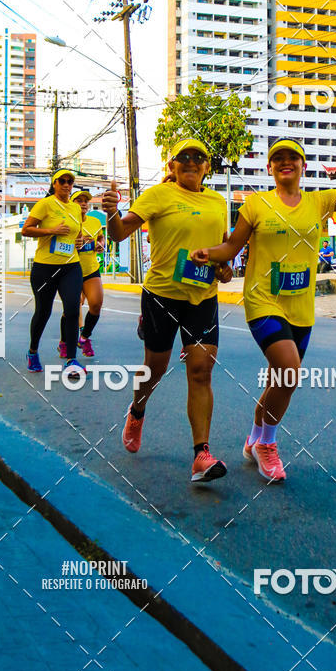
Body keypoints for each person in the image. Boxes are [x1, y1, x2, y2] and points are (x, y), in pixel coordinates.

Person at [190, 134, 336, 483]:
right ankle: (268, 443)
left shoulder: (320, 201)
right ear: (269, 167)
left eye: (292, 157)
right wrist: (208, 253)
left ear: (302, 165)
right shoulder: (256, 205)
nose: (285, 162)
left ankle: (253, 436)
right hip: (262, 299)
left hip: (301, 307)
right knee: (289, 370)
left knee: (282, 380)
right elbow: (232, 246)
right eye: (278, 157)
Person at [102, 137, 233, 483]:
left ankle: (201, 455)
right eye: (183, 157)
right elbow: (118, 234)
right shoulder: (159, 195)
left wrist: (223, 267)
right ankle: (137, 409)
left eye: (198, 157)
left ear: (207, 165)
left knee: (201, 371)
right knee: (155, 368)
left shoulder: (218, 201)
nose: (191, 161)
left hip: (203, 297)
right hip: (162, 295)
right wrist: (112, 211)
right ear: (172, 166)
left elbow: (223, 249)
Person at [21, 168, 85, 377]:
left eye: (70, 181)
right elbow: (26, 229)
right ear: (54, 184)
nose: (66, 185)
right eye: (62, 181)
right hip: (45, 268)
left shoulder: (76, 208)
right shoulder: (45, 204)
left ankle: (71, 360)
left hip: (71, 265)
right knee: (43, 311)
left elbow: (79, 234)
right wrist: (51, 231)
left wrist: (80, 241)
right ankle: (33, 352)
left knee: (73, 309)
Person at [60, 188, 105, 359]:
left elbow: (100, 237)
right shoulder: (66, 221)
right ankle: (64, 342)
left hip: (90, 268)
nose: (83, 203)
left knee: (96, 304)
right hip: (70, 269)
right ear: (72, 203)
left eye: (85, 201)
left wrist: (100, 243)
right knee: (72, 307)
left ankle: (84, 337)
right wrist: (75, 243)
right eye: (79, 200)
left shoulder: (94, 222)